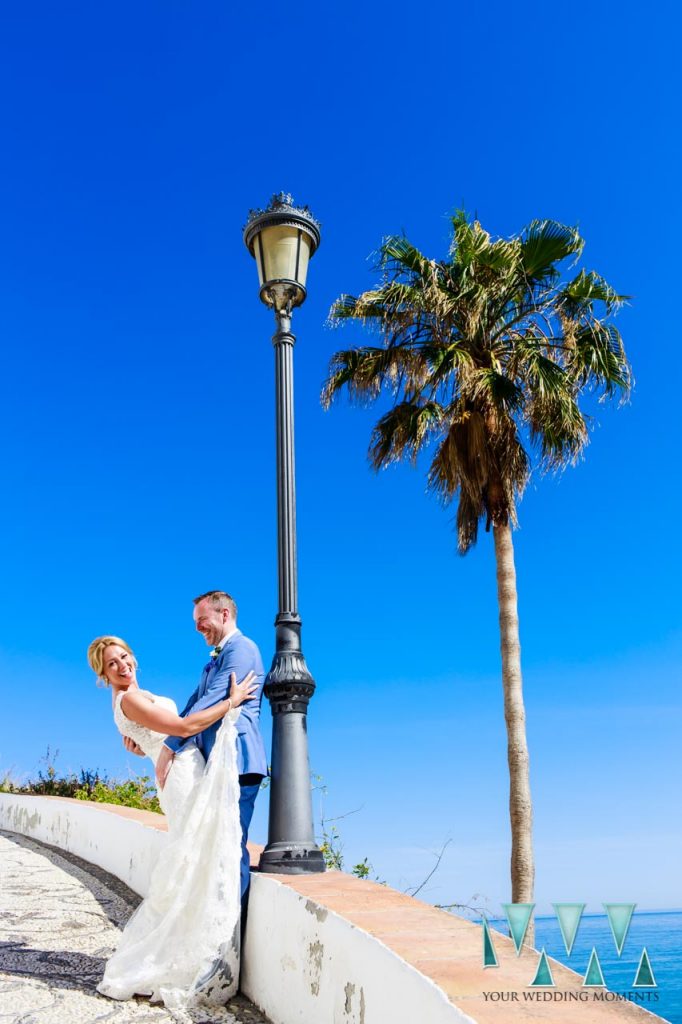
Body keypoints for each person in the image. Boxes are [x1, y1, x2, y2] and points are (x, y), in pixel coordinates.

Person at [87, 634, 257, 1012]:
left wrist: (142, 740)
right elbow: (181, 728)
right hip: (180, 774)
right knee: (199, 855)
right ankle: (191, 956)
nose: (122, 665)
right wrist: (232, 701)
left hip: (180, 767)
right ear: (104, 674)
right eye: (112, 664)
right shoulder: (129, 698)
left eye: (124, 656)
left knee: (201, 852)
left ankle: (199, 950)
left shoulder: (132, 696)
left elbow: (152, 732)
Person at [138, 590, 268, 908]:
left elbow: (211, 703)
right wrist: (151, 738)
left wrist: (170, 747)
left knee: (228, 844)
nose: (198, 628)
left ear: (224, 615)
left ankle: (229, 935)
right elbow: (193, 704)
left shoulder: (243, 649)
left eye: (202, 620)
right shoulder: (214, 659)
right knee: (213, 846)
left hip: (237, 761)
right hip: (216, 762)